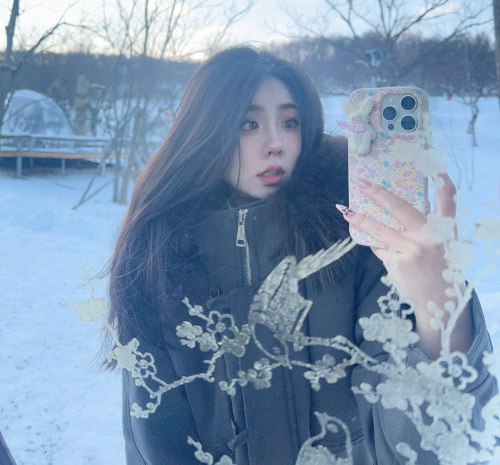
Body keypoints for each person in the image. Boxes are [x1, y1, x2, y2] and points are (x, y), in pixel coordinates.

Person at [107, 46, 497, 465]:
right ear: (204, 131)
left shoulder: (359, 248)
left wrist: (439, 309)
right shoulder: (160, 259)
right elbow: (153, 440)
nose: (275, 144)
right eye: (249, 123)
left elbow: (421, 448)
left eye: (289, 122)